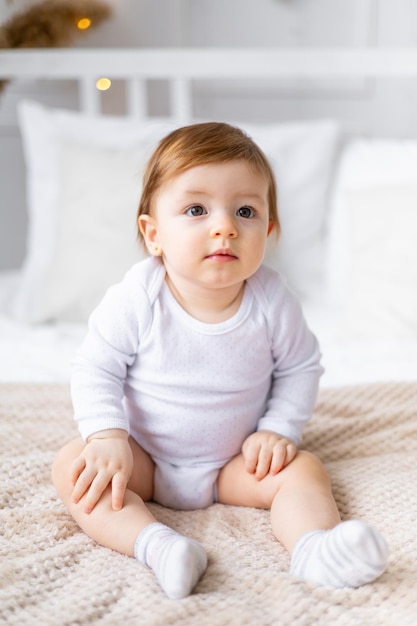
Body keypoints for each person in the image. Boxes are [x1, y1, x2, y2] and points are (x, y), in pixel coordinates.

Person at [52, 122, 388, 600]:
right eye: (195, 209)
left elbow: (300, 367)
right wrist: (107, 435)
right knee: (73, 466)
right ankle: (157, 546)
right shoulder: (137, 296)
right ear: (154, 234)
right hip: (144, 457)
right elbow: (95, 367)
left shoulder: (272, 300)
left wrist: (278, 429)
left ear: (267, 231)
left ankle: (315, 549)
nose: (224, 225)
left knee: (304, 469)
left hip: (233, 463)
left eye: (245, 211)